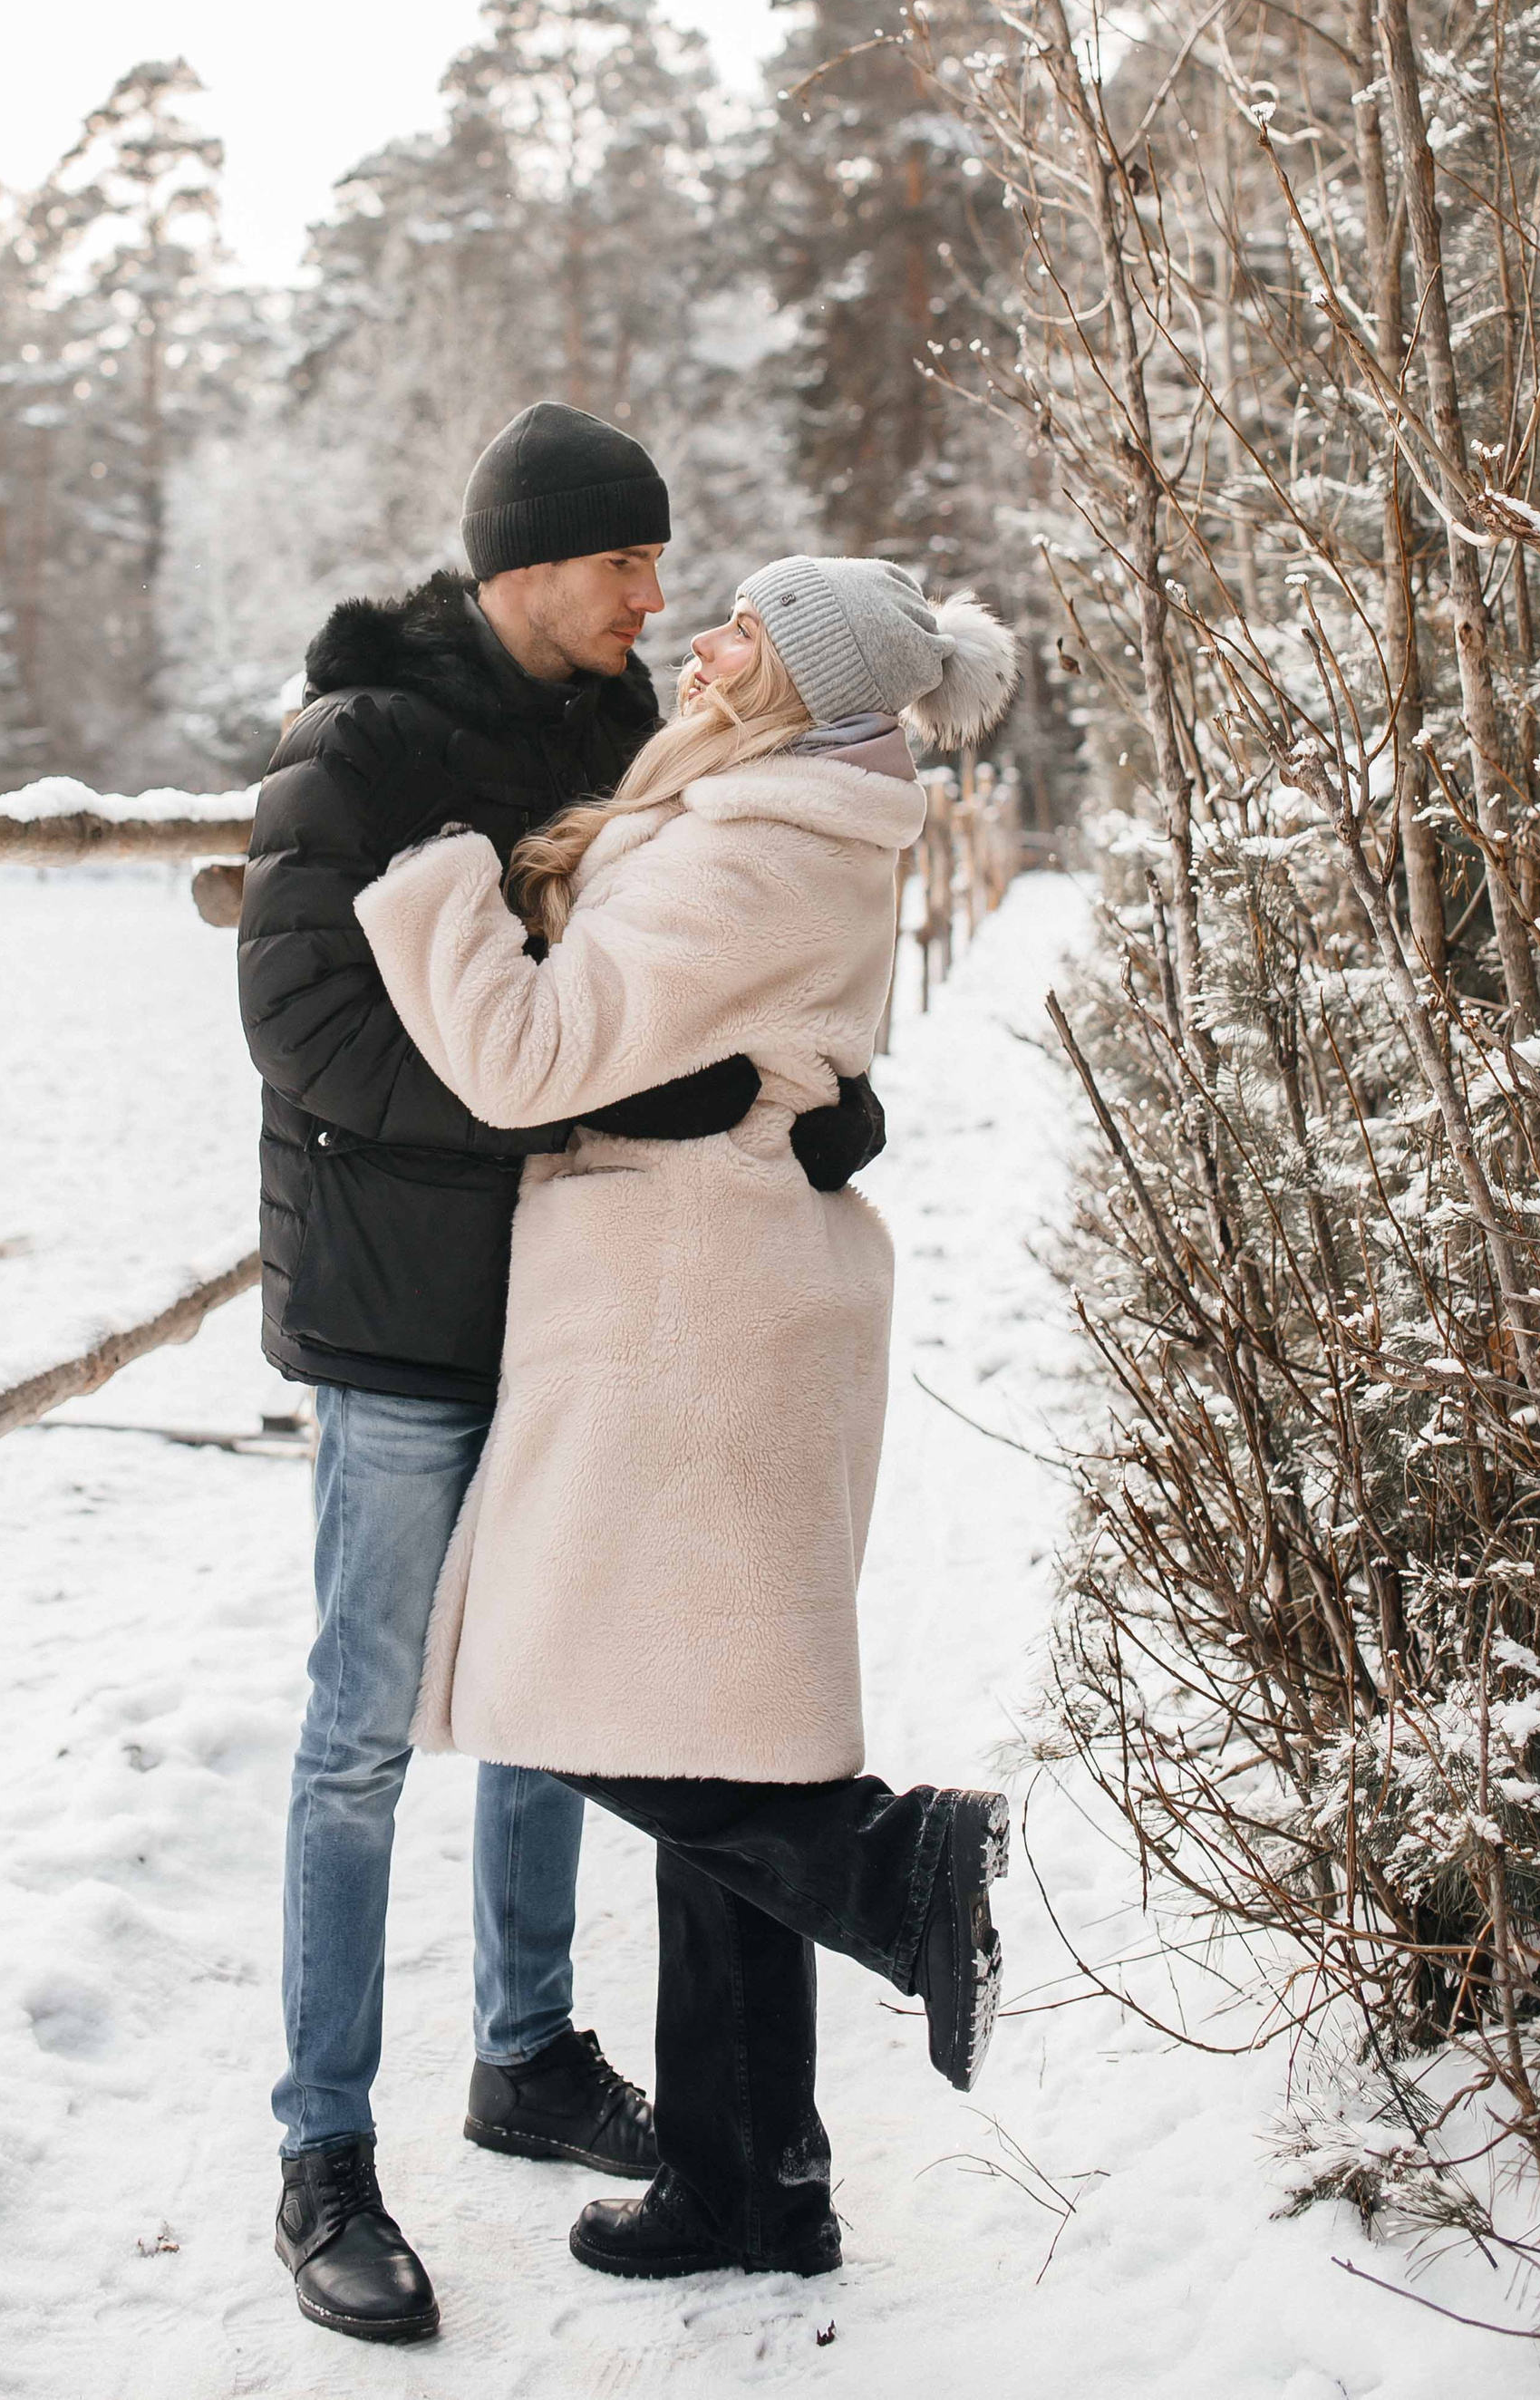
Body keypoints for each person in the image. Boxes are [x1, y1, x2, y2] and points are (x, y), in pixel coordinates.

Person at [237, 408, 887, 2343]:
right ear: (525, 559)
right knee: (362, 1731)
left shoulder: (622, 737)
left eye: (662, 563)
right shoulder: (355, 744)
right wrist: (562, 1114)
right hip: (397, 1305)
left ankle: (524, 2052)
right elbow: (304, 1023)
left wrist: (808, 1108)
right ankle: (322, 2151)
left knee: (548, 1693)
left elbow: (685, 979)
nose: (653, 598)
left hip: (574, 1302)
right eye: (625, 561)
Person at [353, 553, 1020, 2284]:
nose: (704, 640)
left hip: (685, 1313)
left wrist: (432, 881)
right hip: (730, 1291)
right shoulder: (799, 816)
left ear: (800, 684)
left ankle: (891, 1872)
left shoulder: (748, 844)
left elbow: (520, 1059)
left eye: (746, 629)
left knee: (564, 1690)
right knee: (728, 1738)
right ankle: (753, 2185)